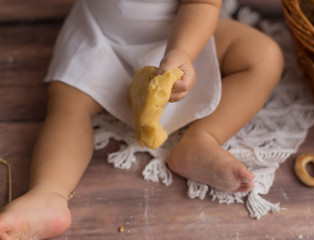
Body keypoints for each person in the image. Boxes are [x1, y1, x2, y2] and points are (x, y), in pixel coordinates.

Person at [0, 0, 284, 239]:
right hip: (100, 36)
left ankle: (202, 140)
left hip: (179, 34)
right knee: (67, 107)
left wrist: (182, 52)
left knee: (264, 56)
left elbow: (202, 3)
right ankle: (49, 193)